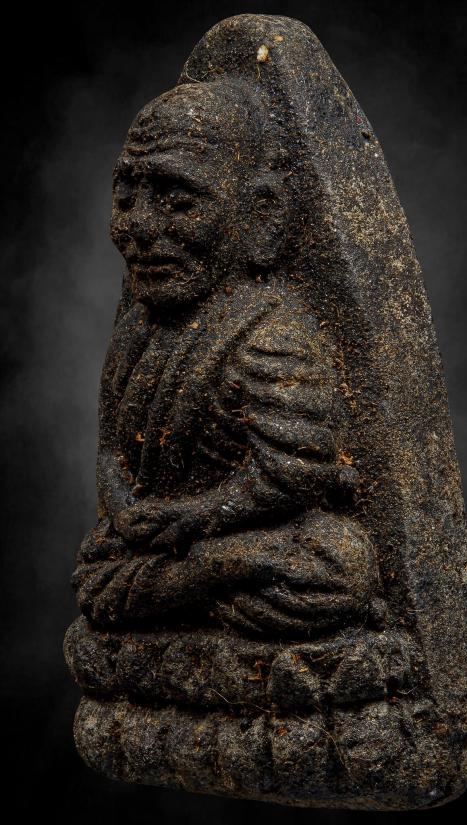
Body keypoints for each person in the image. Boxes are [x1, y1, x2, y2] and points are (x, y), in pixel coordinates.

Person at [72, 77, 376, 637]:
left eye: (179, 202)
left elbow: (294, 473)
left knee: (338, 565)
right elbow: (113, 449)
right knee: (98, 570)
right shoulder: (138, 331)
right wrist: (124, 509)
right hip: (165, 545)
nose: (139, 228)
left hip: (235, 535)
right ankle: (197, 584)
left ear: (260, 216)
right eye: (126, 199)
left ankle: (198, 581)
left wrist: (192, 517)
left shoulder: (269, 335)